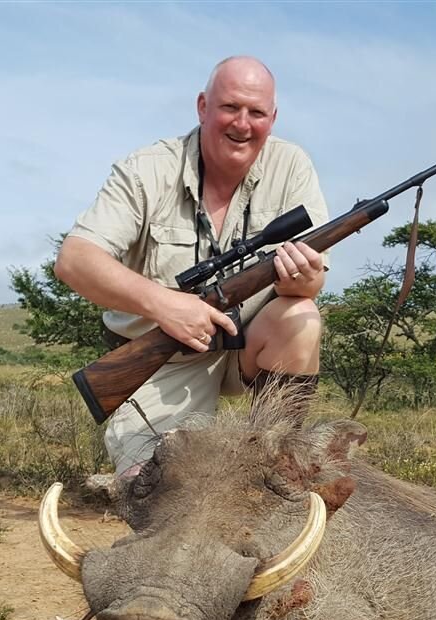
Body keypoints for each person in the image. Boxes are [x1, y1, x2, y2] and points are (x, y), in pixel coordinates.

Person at [56, 56, 329, 477]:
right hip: (163, 362)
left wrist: (305, 282)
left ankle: (274, 463)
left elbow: (309, 286)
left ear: (272, 118)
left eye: (256, 112)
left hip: (248, 351)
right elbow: (74, 260)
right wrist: (166, 306)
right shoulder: (147, 169)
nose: (242, 123)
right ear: (202, 106)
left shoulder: (292, 166)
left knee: (302, 316)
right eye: (229, 107)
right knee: (155, 488)